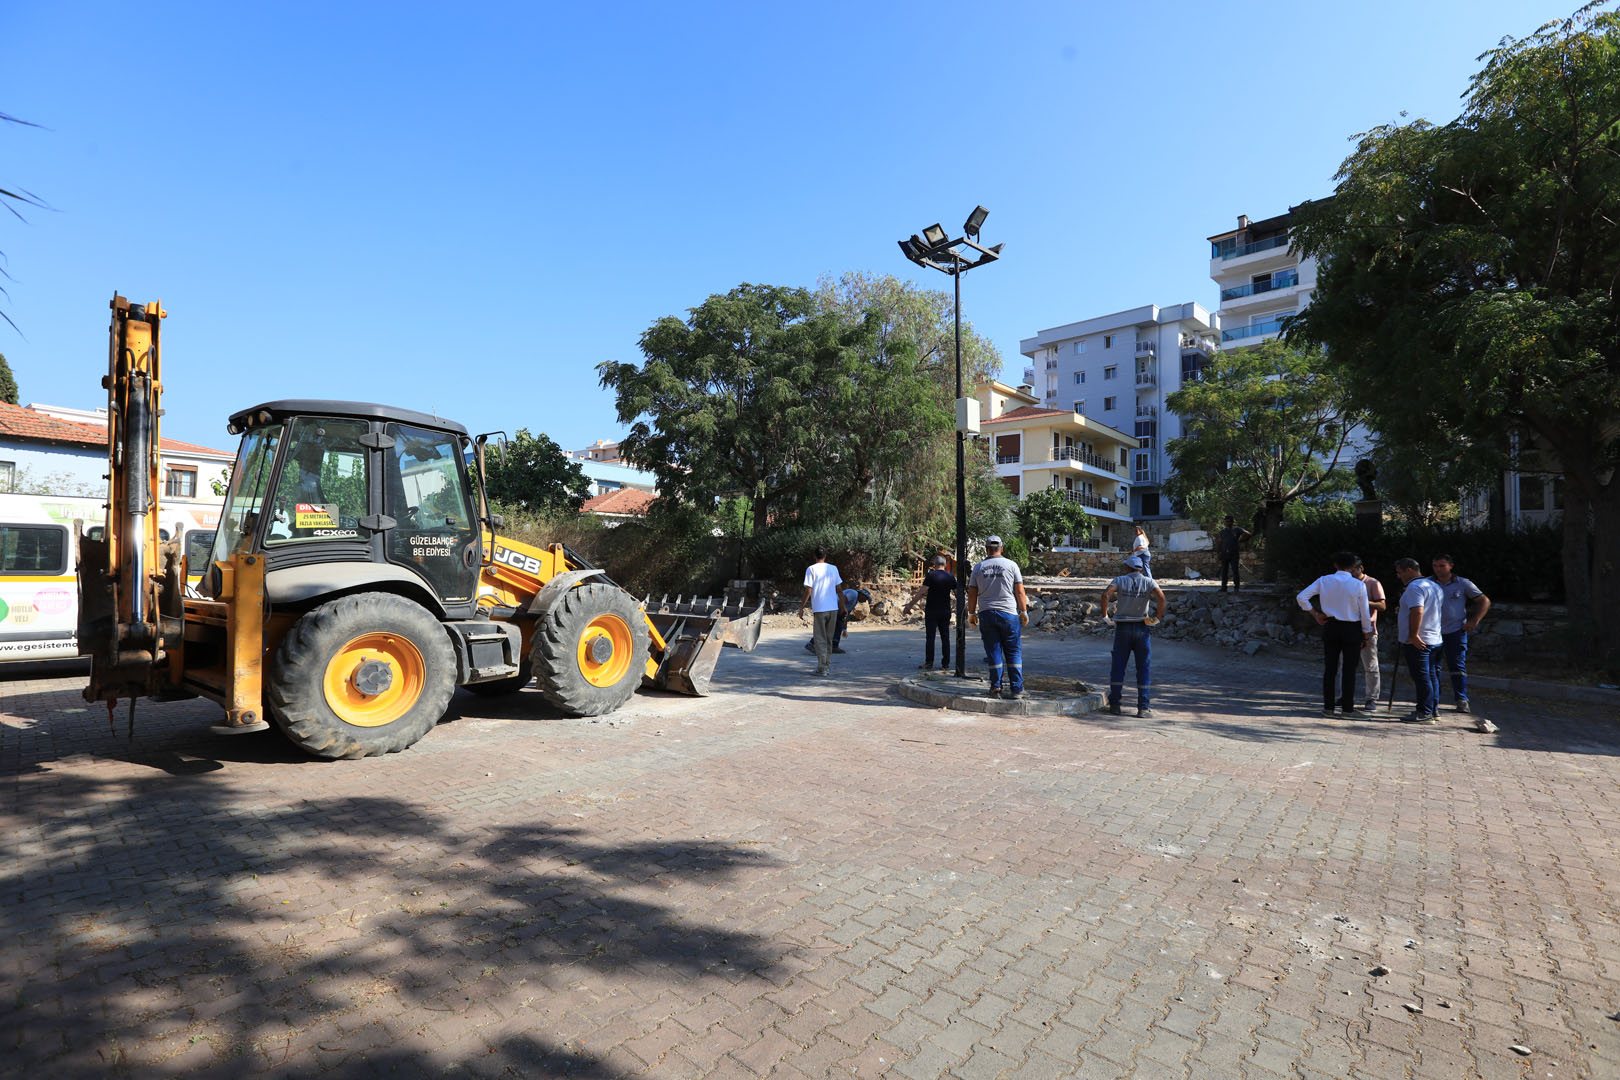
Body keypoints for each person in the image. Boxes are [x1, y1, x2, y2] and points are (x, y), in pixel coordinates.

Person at [1296, 552, 1373, 717]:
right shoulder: (1358, 585)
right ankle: (1347, 708)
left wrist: (1315, 614)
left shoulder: (1324, 580)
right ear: (1353, 567)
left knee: (1330, 669)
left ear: (1335, 565)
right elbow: (1365, 613)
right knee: (1349, 670)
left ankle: (1328, 707)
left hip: (1331, 626)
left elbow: (1302, 597)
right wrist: (1366, 634)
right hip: (1352, 628)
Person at [1102, 553, 1166, 717]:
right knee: (1143, 668)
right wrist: (1157, 618)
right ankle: (1143, 708)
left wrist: (1106, 616)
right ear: (1140, 568)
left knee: (1118, 667)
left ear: (1128, 567)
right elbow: (1161, 598)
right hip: (1142, 628)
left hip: (1122, 627)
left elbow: (1106, 595)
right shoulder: (1148, 581)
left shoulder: (1120, 580)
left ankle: (1115, 705)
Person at [966, 536, 1029, 699]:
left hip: (986, 614)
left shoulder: (978, 568)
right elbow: (1020, 591)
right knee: (1013, 651)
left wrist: (971, 613)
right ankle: (1017, 689)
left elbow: (972, 592)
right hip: (1008, 614)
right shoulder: (1011, 565)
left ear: (986, 549)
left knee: (993, 651)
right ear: (1001, 548)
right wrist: (1023, 610)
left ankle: (996, 687)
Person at [1430, 554, 1491, 718]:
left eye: (1442, 565)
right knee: (1433, 666)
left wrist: (1474, 621)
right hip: (1433, 631)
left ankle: (1461, 699)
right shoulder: (1428, 583)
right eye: (1435, 565)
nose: (1438, 569)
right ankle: (1433, 699)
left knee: (1457, 666)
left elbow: (1484, 601)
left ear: (1451, 566)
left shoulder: (1463, 583)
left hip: (1455, 631)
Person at [1395, 557, 1445, 724]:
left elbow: (1418, 611)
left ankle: (1424, 712)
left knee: (1422, 677)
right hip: (1434, 638)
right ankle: (1433, 709)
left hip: (1420, 640)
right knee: (1431, 676)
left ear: (1409, 570)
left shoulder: (1415, 587)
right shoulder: (1434, 585)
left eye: (1400, 572)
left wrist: (1413, 635)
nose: (1398, 576)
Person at [902, 555, 958, 670]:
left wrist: (909, 605)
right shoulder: (950, 577)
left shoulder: (931, 575)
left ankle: (929, 663)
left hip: (932, 611)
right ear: (945, 565)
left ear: (934, 564)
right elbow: (958, 594)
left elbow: (922, 592)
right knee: (945, 637)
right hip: (945, 611)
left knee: (930, 637)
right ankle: (945, 663)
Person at [798, 548, 847, 676]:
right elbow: (839, 590)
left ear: (815, 556)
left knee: (820, 639)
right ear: (825, 556)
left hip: (820, 608)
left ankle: (822, 667)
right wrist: (843, 606)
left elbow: (808, 590)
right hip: (833, 608)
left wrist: (801, 607)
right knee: (829, 638)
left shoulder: (811, 569)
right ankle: (827, 665)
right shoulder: (833, 568)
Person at [1350, 558, 1387, 709]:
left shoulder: (1372, 583)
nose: (1351, 573)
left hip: (1368, 629)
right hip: (1348, 627)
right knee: (1344, 664)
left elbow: (1382, 605)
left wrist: (1364, 601)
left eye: (1353, 570)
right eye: (1348, 570)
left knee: (1370, 665)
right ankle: (1343, 696)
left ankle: (1371, 698)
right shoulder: (1346, 583)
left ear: (1361, 568)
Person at [1216, 515, 1250, 592]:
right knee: (1224, 571)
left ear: (1232, 522)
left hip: (1234, 553)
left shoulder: (1237, 529)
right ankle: (1224, 587)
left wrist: (1241, 541)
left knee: (1235, 571)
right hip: (1224, 553)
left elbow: (1247, 534)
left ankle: (1236, 588)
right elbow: (1219, 542)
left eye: (1229, 521)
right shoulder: (1223, 531)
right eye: (1226, 521)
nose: (1227, 523)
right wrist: (1218, 553)